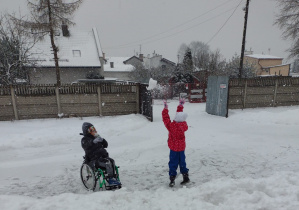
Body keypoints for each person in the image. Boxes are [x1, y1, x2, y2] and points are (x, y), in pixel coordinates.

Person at [81, 122, 121, 186]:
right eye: (91, 129)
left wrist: (102, 140)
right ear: (87, 131)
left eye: (93, 129)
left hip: (103, 157)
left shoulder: (96, 137)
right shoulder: (84, 139)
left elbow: (106, 145)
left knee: (112, 161)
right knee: (107, 163)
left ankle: (113, 177)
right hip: (94, 159)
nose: (93, 131)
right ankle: (110, 179)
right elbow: (86, 145)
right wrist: (93, 142)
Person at [162, 99, 190, 187]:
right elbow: (180, 116)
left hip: (174, 148)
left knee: (173, 163)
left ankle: (172, 179)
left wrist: (165, 109)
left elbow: (166, 119)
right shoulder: (183, 125)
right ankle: (185, 176)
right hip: (181, 148)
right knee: (182, 162)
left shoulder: (172, 126)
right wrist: (180, 106)